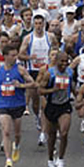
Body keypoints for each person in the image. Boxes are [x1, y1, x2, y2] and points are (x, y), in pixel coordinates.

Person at [0, 45, 36, 167]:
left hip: (17, 104)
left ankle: (16, 146)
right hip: (3, 104)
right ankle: (8, 160)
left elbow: (33, 83)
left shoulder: (20, 70)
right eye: (12, 55)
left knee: (17, 133)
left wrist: (20, 85)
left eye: (16, 55)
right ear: (5, 56)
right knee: (6, 131)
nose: (15, 57)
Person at [19, 14, 56, 145]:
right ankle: (37, 117)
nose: (39, 26)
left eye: (41, 23)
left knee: (44, 102)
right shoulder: (28, 38)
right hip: (33, 71)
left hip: (47, 71)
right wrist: (30, 57)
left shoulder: (50, 37)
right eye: (37, 23)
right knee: (35, 101)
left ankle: (44, 132)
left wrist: (53, 62)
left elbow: (56, 50)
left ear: (44, 24)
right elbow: (20, 54)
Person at [38, 51, 74, 167]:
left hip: (64, 105)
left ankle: (61, 159)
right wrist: (52, 89)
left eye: (66, 61)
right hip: (52, 106)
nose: (64, 64)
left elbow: (73, 88)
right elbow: (40, 90)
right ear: (56, 61)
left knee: (64, 132)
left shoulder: (69, 72)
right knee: (51, 136)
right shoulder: (50, 73)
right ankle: (50, 161)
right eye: (62, 61)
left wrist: (81, 98)